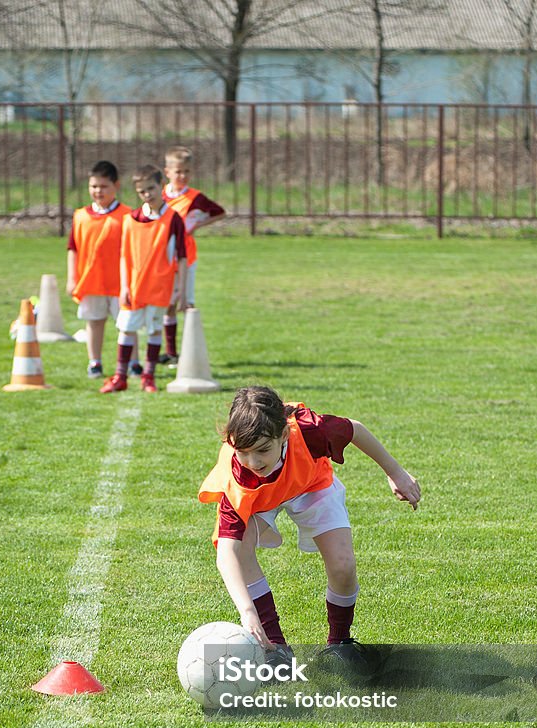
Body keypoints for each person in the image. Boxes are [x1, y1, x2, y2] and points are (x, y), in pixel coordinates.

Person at [198, 386, 421, 669]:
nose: (253, 462)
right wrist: (247, 612)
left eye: (263, 450)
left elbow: (355, 430)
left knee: (343, 564)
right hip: (259, 499)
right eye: (244, 452)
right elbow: (226, 554)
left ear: (283, 435)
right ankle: (275, 650)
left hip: (309, 483)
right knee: (241, 552)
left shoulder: (309, 431)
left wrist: (396, 473)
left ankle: (339, 644)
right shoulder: (237, 474)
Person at [100, 165, 187, 394]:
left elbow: (182, 258)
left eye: (152, 188)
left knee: (155, 330)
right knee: (126, 329)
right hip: (135, 287)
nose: (148, 194)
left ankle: (148, 376)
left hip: (161, 287)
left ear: (161, 187)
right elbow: (124, 255)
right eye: (142, 191)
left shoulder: (173, 219)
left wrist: (182, 291)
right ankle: (120, 376)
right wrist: (125, 285)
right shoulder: (131, 219)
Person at [66, 160, 141, 380]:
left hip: (121, 284)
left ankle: (133, 363)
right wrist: (72, 278)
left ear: (116, 186)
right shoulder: (80, 215)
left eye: (104, 186)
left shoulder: (128, 215)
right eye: (94, 186)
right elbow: (73, 248)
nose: (98, 191)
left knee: (127, 325)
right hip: (92, 282)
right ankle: (95, 362)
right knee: (94, 322)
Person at [161, 146, 225, 365]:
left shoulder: (195, 197)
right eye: (178, 171)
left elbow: (219, 212)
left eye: (187, 171)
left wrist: (197, 224)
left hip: (186, 256)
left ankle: (190, 352)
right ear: (167, 171)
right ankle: (171, 352)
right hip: (163, 258)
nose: (183, 176)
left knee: (186, 302)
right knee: (168, 303)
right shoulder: (158, 195)